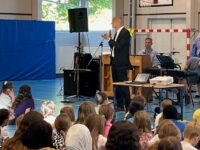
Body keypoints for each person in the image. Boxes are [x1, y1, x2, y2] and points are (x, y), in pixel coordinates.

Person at [102, 16, 132, 111]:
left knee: (123, 84)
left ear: (117, 22)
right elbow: (113, 46)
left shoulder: (125, 33)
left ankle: (127, 105)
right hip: (114, 61)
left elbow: (119, 46)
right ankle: (119, 104)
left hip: (121, 63)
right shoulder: (116, 33)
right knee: (116, 85)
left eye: (113, 22)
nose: (112, 24)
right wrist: (109, 40)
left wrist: (110, 39)